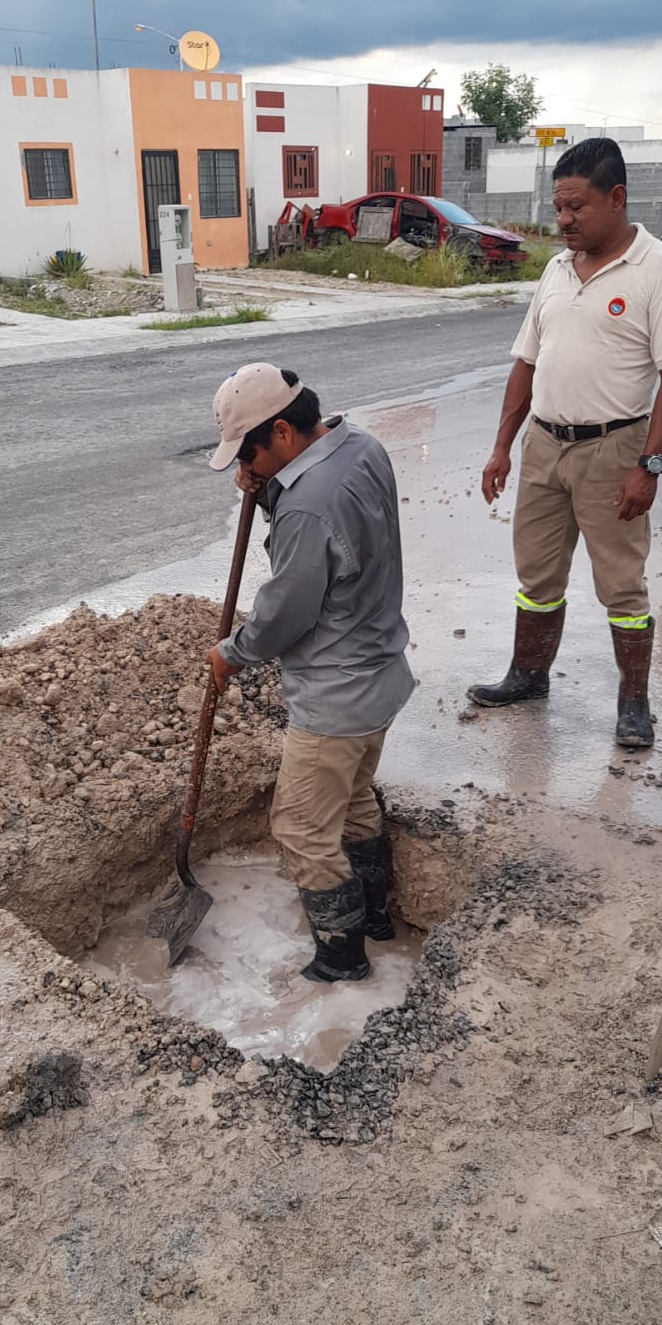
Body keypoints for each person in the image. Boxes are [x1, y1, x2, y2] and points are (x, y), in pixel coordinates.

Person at [469, 136, 662, 749]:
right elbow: (526, 362)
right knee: (537, 573)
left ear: (617, 197)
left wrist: (649, 466)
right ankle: (528, 675)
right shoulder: (554, 270)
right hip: (545, 446)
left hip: (613, 450)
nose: (564, 220)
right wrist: (502, 447)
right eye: (558, 207)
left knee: (622, 584)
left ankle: (634, 703)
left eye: (576, 207)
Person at [205, 362, 414, 984]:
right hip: (380, 673)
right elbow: (338, 535)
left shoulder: (305, 510)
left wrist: (231, 652)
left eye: (250, 453)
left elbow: (284, 613)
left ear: (282, 434)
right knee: (351, 807)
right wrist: (266, 488)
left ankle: (341, 959)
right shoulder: (363, 448)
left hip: (334, 695)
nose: (247, 466)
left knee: (298, 827)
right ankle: (374, 920)